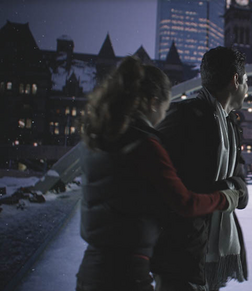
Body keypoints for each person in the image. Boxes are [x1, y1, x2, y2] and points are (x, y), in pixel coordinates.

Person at [76, 56, 242, 291]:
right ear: (153, 102)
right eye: (164, 109)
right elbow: (184, 202)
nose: (162, 118)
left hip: (90, 270)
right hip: (127, 274)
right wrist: (225, 198)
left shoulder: (95, 140)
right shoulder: (143, 145)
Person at [151, 47, 249, 291]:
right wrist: (224, 192)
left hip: (212, 254)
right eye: (246, 81)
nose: (248, 89)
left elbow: (240, 185)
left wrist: (232, 190)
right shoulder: (184, 118)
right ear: (235, 81)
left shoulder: (232, 126)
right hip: (180, 253)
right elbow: (165, 187)